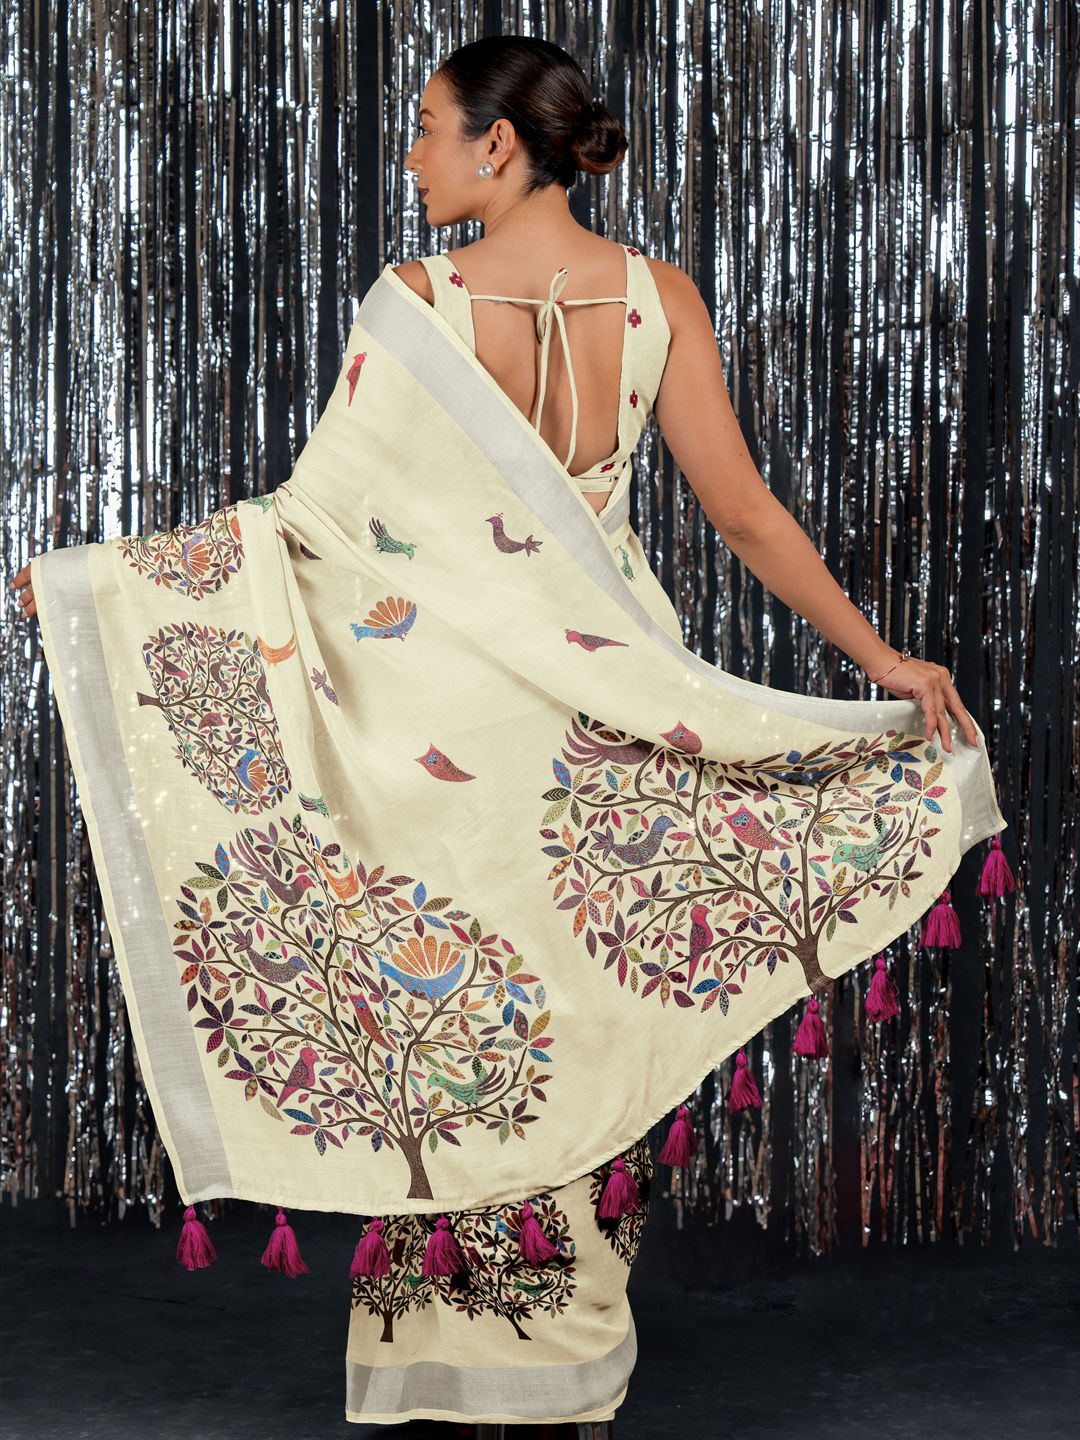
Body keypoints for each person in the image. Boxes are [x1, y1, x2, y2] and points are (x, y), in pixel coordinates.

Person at [11, 33, 989, 1440]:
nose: (410, 158)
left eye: (426, 129)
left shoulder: (419, 303)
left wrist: (101, 586)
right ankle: (565, 1370)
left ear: (499, 145)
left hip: (450, 718)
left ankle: (469, 1379)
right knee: (582, 1006)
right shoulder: (657, 298)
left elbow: (307, 527)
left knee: (476, 1011)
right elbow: (745, 515)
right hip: (618, 702)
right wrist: (881, 661)